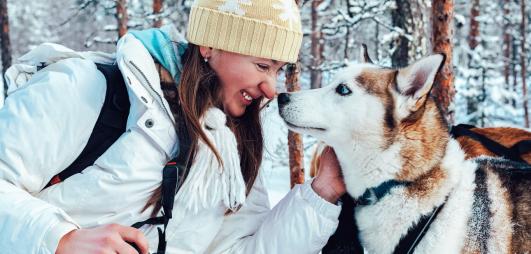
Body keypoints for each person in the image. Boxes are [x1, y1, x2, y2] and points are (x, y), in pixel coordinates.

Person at [0, 0, 346, 253]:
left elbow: (242, 249)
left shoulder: (235, 142)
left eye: (278, 70)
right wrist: (59, 239)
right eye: (261, 65)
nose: (271, 88)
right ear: (210, 46)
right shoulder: (84, 89)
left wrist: (323, 193)